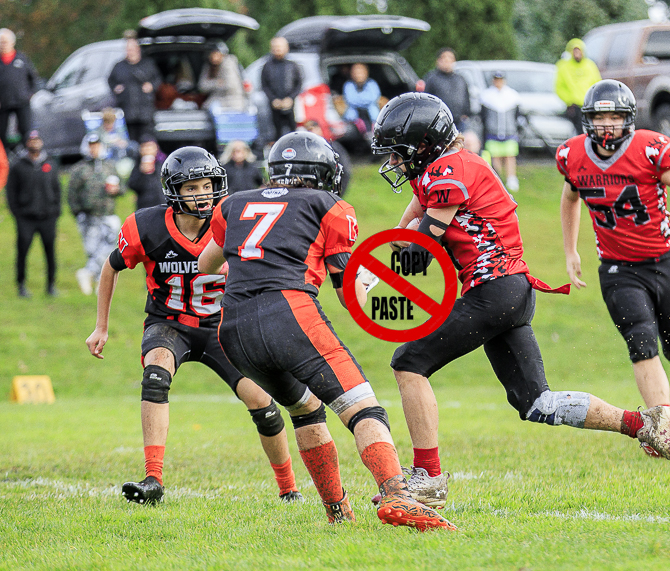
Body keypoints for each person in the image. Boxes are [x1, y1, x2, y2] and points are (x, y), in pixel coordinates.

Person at [370, 93, 670, 509]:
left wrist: (375, 270)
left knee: (408, 362)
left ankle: (428, 479)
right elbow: (408, 228)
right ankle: (644, 424)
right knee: (537, 403)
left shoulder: (449, 169)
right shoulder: (444, 169)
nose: (394, 162)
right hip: (508, 291)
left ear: (425, 145)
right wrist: (387, 255)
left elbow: (418, 245)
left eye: (399, 153)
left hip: (494, 290)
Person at [197, 131, 456, 530]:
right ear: (322, 174)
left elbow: (205, 265)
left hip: (233, 327)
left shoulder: (233, 203)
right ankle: (397, 494)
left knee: (305, 410)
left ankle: (338, 513)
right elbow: (344, 285)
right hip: (289, 311)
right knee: (364, 408)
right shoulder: (327, 203)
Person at [85, 146, 302, 505]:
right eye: (191, 187)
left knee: (262, 403)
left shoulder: (236, 221)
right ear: (174, 191)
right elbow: (111, 267)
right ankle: (153, 478)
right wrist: (101, 327)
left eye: (207, 185)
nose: (202, 194)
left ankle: (288, 487)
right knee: (156, 373)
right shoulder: (146, 226)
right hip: (169, 322)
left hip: (223, 325)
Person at [557, 80, 670, 450]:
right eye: (600, 118)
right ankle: (664, 427)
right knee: (641, 342)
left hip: (663, 262)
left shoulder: (650, 149)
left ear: (629, 119)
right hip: (617, 268)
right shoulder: (573, 155)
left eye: (615, 116)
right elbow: (570, 198)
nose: (607, 125)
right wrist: (570, 250)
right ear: (588, 121)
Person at [6, 131, 61, 298]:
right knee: (22, 251)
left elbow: (57, 188)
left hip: (48, 216)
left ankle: (51, 285)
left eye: (37, 140)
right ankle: (21, 284)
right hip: (25, 217)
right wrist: (17, 212)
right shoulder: (18, 165)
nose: (34, 143)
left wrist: (55, 210)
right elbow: (10, 192)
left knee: (50, 251)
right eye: (31, 140)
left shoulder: (50, 163)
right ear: (26, 143)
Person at [68, 134, 124, 295]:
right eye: (91, 145)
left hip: (108, 214)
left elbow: (123, 188)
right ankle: (96, 280)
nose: (94, 149)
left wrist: (116, 190)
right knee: (92, 249)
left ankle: (89, 273)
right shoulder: (80, 169)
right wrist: (78, 213)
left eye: (97, 145)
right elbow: (72, 193)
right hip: (89, 216)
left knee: (109, 247)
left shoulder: (110, 166)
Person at [108, 30, 162, 143]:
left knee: (147, 141)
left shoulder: (148, 64)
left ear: (138, 50)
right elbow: (110, 81)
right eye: (128, 50)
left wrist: (151, 86)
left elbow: (158, 79)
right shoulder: (119, 66)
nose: (130, 52)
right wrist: (116, 89)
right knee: (131, 143)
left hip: (145, 113)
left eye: (132, 49)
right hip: (127, 113)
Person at [0, 28, 40, 152]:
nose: (3, 45)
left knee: (26, 131)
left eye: (5, 42)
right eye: (1, 42)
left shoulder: (22, 59)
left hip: (21, 102)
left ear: (12, 42)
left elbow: (34, 79)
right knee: (2, 132)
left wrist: (30, 94)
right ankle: (4, 157)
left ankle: (26, 156)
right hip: (3, 104)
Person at [480, 71, 521, 191]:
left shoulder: (512, 95)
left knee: (510, 156)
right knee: (495, 156)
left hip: (509, 131)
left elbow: (517, 115)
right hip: (493, 132)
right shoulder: (487, 96)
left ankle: (511, 178)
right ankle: (498, 178)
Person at [554, 38, 602, 135]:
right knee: (578, 132)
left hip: (589, 105)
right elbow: (559, 87)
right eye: (574, 50)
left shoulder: (590, 65)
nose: (577, 53)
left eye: (579, 50)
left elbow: (597, 84)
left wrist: (595, 99)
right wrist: (569, 101)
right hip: (574, 107)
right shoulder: (564, 66)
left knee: (593, 131)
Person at [260, 37, 303, 141]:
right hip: (274, 105)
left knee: (294, 131)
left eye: (279, 47)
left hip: (290, 104)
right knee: (275, 131)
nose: (277, 49)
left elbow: (299, 84)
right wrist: (273, 99)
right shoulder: (267, 66)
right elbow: (264, 85)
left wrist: (291, 98)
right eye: (275, 47)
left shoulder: (292, 65)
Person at [423, 48, 471, 131]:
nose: (447, 61)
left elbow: (466, 97)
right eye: (444, 58)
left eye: (450, 58)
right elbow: (426, 100)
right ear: (438, 61)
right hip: (439, 121)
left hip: (458, 121)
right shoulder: (432, 78)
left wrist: (466, 113)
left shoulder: (460, 79)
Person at [198, 44, 248, 112]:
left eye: (215, 53)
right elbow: (202, 86)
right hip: (220, 99)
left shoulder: (228, 64)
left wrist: (214, 84)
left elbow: (230, 85)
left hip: (232, 101)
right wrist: (216, 83)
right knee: (205, 107)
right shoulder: (209, 66)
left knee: (211, 107)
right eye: (211, 53)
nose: (212, 56)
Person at [127, 135, 166, 210]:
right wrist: (142, 173)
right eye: (144, 147)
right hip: (144, 206)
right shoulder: (137, 165)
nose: (147, 150)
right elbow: (132, 185)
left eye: (150, 146)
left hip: (162, 204)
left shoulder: (163, 162)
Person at [342, 63, 381, 128]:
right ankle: (355, 126)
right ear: (351, 74)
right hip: (354, 109)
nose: (358, 75)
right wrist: (364, 100)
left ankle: (375, 127)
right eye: (356, 73)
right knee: (350, 113)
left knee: (374, 110)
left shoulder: (372, 83)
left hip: (370, 109)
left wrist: (359, 99)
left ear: (366, 73)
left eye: (361, 72)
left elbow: (374, 98)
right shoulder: (348, 85)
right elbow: (350, 100)